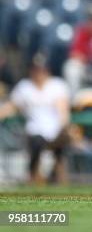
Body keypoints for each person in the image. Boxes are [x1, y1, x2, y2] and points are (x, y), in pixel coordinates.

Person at [0, 54, 70, 185]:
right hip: (35, 131)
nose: (38, 73)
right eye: (35, 69)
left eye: (41, 69)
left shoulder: (57, 85)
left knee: (59, 150)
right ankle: (34, 178)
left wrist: (63, 127)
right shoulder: (25, 86)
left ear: (47, 70)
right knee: (36, 145)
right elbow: (11, 106)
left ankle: (58, 179)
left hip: (55, 130)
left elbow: (63, 111)